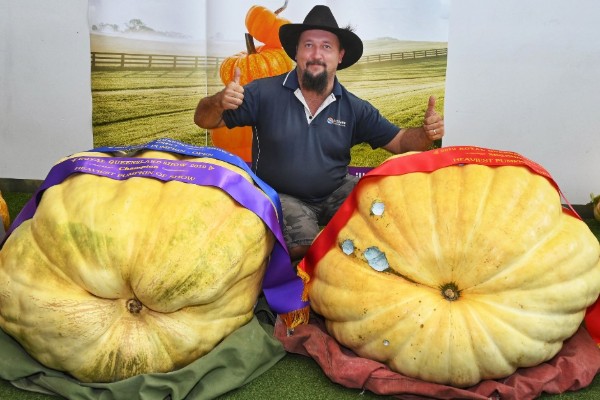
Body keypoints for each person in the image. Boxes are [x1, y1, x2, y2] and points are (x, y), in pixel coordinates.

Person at [194, 5, 445, 262]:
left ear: (340, 56)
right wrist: (218, 102)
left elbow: (401, 141)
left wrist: (426, 134)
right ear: (296, 53)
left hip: (336, 191)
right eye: (308, 45)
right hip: (282, 195)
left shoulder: (353, 107)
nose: (316, 54)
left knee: (388, 217)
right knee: (307, 250)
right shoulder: (263, 92)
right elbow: (204, 120)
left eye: (326, 46)